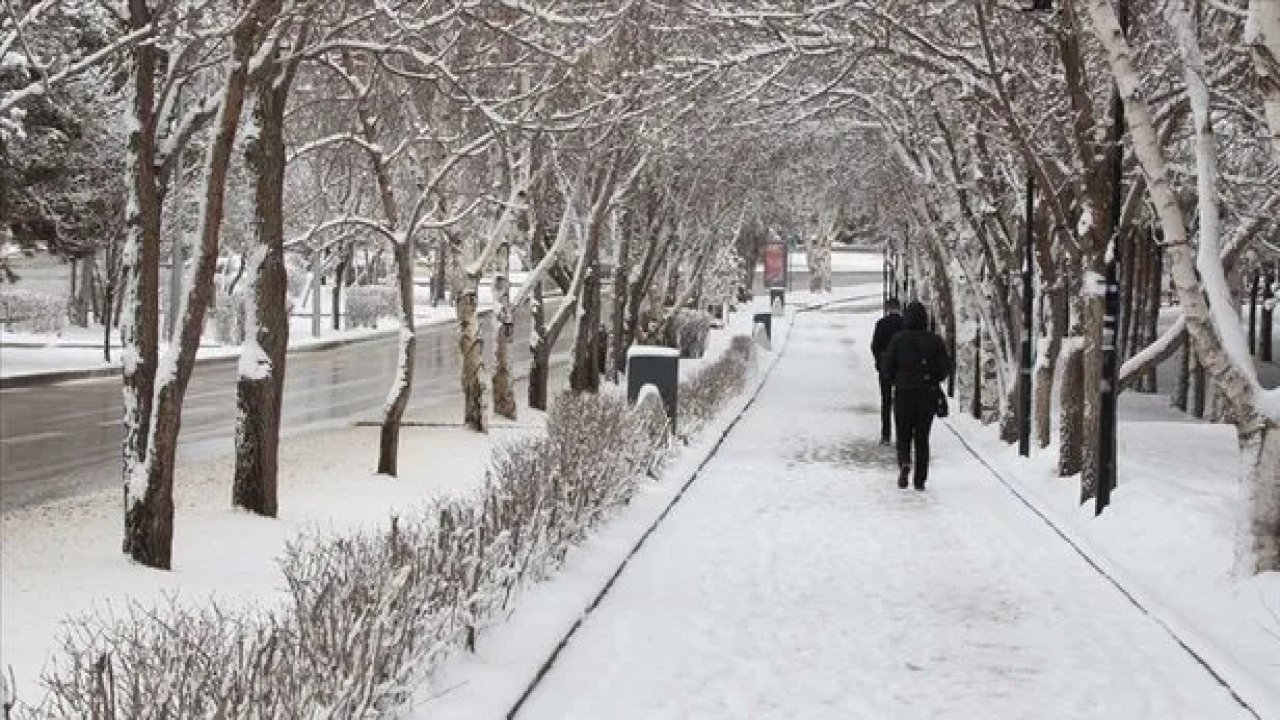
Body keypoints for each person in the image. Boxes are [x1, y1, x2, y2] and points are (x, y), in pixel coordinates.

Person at [883, 301, 952, 490]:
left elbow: (887, 366)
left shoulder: (898, 340)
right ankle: (920, 478)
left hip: (904, 393)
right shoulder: (934, 341)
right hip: (926, 393)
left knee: (903, 433)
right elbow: (945, 368)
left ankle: (905, 461)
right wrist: (932, 378)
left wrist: (895, 379)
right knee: (922, 436)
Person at [870, 298, 905, 445]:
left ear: (887, 308)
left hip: (885, 367)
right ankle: (902, 434)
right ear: (899, 308)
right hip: (902, 369)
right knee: (901, 403)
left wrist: (879, 360)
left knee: (886, 401)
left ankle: (886, 435)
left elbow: (875, 345)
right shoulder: (905, 324)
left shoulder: (881, 324)